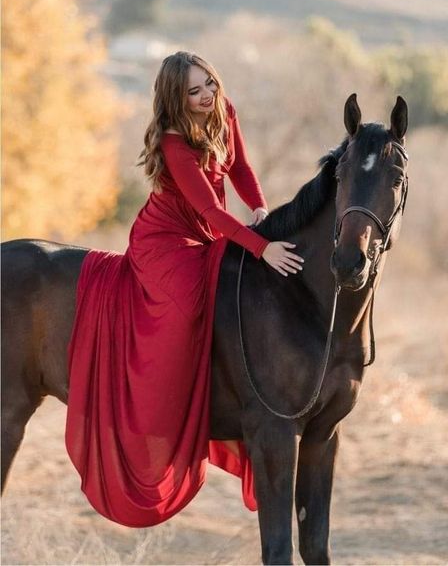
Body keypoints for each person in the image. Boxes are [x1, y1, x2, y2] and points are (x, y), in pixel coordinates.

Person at [65, 51, 304, 528]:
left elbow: (239, 168)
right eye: (193, 92)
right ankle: (162, 405)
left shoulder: (223, 110)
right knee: (188, 308)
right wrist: (263, 249)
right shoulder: (175, 144)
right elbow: (213, 214)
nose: (204, 96)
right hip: (166, 239)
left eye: (208, 85)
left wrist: (259, 209)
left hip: (207, 233)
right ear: (176, 100)